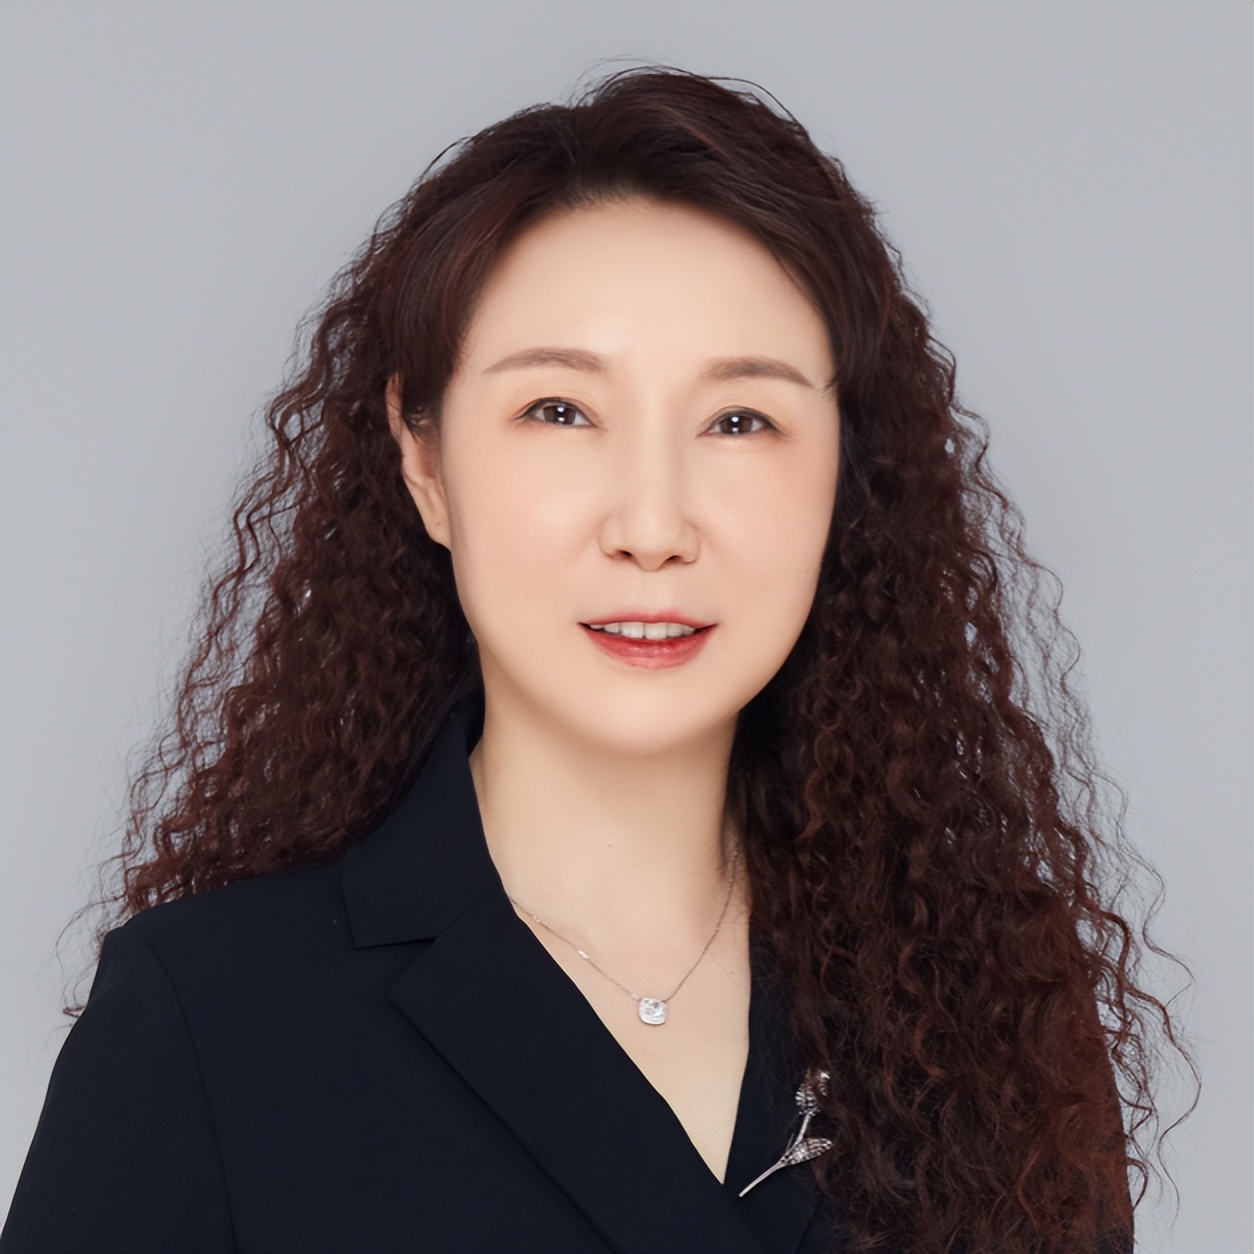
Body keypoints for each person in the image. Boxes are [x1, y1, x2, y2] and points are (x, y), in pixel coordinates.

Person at [1, 68, 1179, 1254]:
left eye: (741, 421)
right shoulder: (212, 1020)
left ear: (844, 475)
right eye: (559, 411)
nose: (652, 526)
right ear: (424, 461)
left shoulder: (984, 1009)